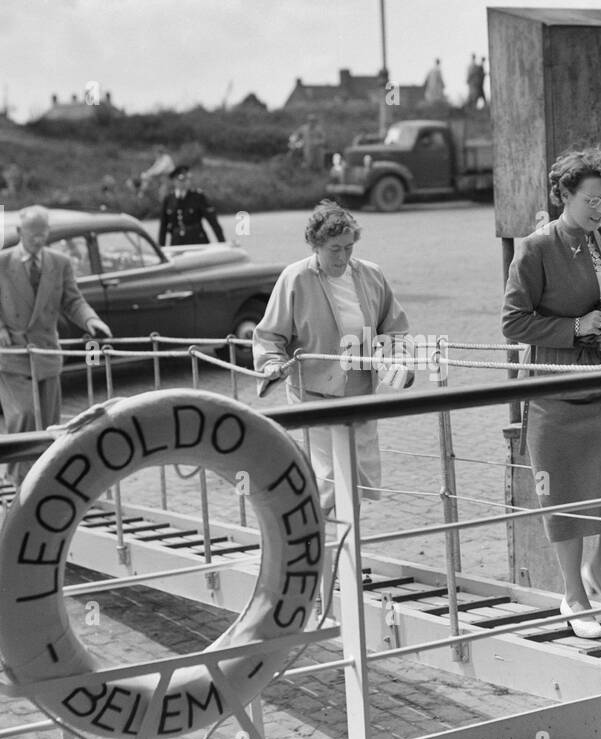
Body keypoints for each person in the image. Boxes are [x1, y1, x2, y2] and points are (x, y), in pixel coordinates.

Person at [501, 145, 601, 639]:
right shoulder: (535, 248)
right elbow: (513, 323)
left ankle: (599, 568)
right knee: (565, 500)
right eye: (593, 199)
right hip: (557, 392)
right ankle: (574, 596)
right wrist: (574, 326)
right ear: (564, 194)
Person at [253, 200, 414, 515]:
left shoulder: (372, 275)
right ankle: (326, 553)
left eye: (349, 247)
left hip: (360, 395)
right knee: (329, 482)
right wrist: (271, 363)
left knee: (357, 481)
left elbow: (395, 330)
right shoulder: (295, 278)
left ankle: (346, 559)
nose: (343, 257)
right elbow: (269, 335)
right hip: (314, 396)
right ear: (315, 245)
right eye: (334, 250)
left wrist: (394, 361)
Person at [0, 205, 112, 485]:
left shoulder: (59, 263)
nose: (38, 239)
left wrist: (92, 321)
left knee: (48, 422)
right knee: (24, 413)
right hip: (12, 353)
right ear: (20, 232)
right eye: (33, 234)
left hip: (46, 353)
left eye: (43, 233)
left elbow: (72, 301)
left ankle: (45, 478)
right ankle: (18, 479)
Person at [157, 165, 225, 245]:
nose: (186, 182)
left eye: (188, 179)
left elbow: (213, 222)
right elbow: (163, 227)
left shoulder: (198, 196)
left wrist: (222, 243)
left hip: (198, 241)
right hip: (177, 243)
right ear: (174, 181)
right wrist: (161, 248)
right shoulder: (168, 199)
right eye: (182, 179)